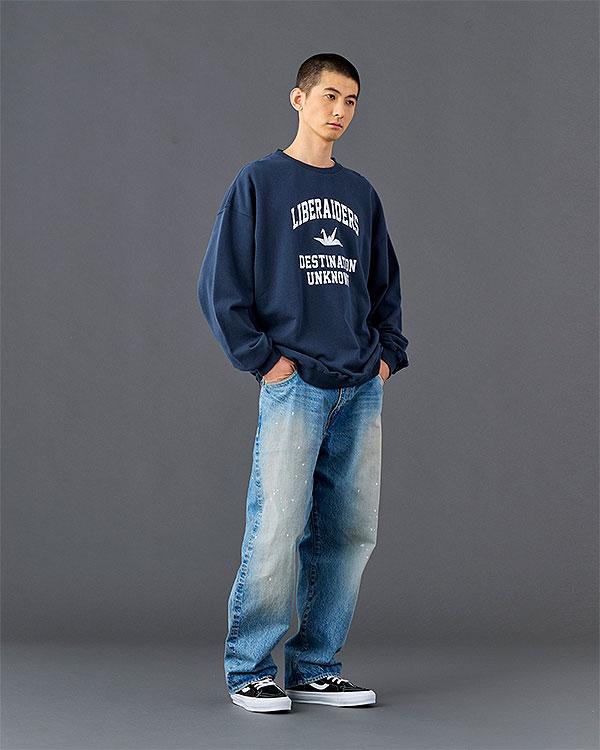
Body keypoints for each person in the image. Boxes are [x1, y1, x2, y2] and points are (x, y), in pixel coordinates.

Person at [197, 52, 409, 713]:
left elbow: (384, 283)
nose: (340, 110)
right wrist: (263, 360)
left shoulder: (361, 193)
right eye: (329, 96)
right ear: (298, 98)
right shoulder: (259, 182)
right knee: (276, 527)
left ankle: (317, 667)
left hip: (359, 385)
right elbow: (219, 285)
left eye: (351, 100)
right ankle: (250, 670)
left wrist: (387, 355)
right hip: (294, 382)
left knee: (349, 534)